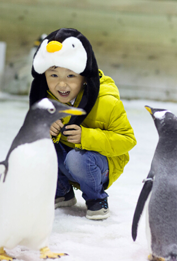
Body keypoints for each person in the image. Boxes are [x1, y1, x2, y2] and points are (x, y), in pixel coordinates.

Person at [29, 28, 137, 220]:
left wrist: (86, 137)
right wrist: (46, 128)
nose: (61, 85)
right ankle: (62, 192)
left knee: (77, 159)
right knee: (39, 144)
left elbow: (128, 140)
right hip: (69, 156)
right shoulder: (46, 100)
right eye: (54, 75)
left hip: (102, 163)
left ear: (85, 76)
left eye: (70, 76)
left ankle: (97, 199)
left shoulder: (107, 101)